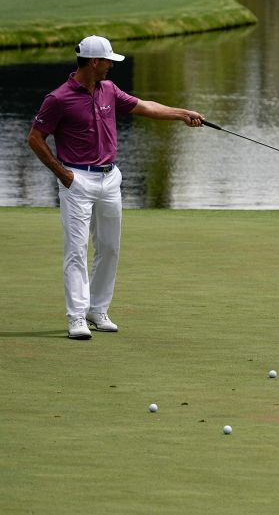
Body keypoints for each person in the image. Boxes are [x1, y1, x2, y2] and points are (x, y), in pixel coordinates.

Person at [27, 35, 205, 340]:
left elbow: (145, 106)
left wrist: (181, 113)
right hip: (77, 180)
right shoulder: (59, 98)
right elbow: (35, 138)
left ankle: (97, 310)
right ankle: (77, 317)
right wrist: (63, 175)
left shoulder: (108, 89)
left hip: (110, 179)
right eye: (108, 60)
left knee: (109, 247)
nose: (111, 65)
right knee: (76, 251)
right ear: (94, 62)